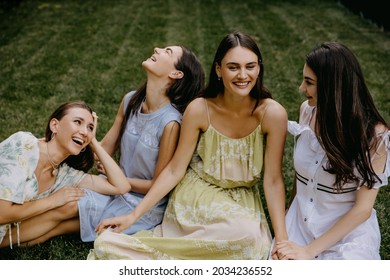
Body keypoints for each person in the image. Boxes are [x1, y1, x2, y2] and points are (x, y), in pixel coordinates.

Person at [87, 31, 288, 260]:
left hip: (242, 198)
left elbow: (273, 181)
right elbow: (174, 170)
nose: (243, 75)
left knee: (253, 242)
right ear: (218, 70)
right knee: (244, 238)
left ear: (259, 68)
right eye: (233, 67)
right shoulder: (200, 109)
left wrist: (281, 239)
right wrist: (133, 216)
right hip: (197, 193)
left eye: (250, 66)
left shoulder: (272, 114)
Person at [273, 42, 390, 260]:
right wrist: (289, 217)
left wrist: (308, 252)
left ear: (333, 86)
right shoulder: (307, 111)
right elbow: (301, 179)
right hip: (299, 223)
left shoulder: (376, 136)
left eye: (309, 82)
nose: (301, 88)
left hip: (346, 232)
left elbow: (363, 209)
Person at [77, 45, 205, 242]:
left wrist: (116, 178)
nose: (157, 49)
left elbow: (156, 185)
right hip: (115, 188)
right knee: (66, 204)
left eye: (167, 51)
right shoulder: (130, 100)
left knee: (70, 209)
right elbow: (103, 151)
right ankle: (12, 232)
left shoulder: (170, 124)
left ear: (176, 73)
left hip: (141, 203)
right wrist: (82, 138)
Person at [0, 101, 131, 248]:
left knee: (69, 206)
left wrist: (93, 142)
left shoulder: (65, 174)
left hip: (6, 233)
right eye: (77, 122)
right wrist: (53, 200)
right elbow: (2, 213)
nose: (84, 131)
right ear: (54, 125)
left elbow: (121, 187)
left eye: (90, 127)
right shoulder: (23, 145)